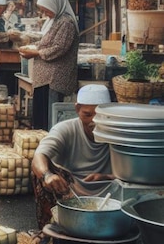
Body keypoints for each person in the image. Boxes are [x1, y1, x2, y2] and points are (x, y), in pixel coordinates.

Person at [31, 84, 114, 229]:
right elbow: (39, 155)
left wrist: (106, 177)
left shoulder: (119, 133)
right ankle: (50, 229)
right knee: (41, 171)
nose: (93, 121)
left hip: (108, 192)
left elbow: (132, 175)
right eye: (87, 115)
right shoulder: (65, 129)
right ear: (77, 109)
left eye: (100, 115)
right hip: (70, 191)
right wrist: (47, 175)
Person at [18, 0, 79, 130]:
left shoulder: (66, 22)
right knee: (41, 117)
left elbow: (59, 48)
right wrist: (33, 47)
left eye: (46, 9)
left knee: (49, 119)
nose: (45, 13)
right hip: (45, 79)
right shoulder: (56, 20)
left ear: (56, 4)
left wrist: (36, 53)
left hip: (54, 80)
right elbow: (47, 41)